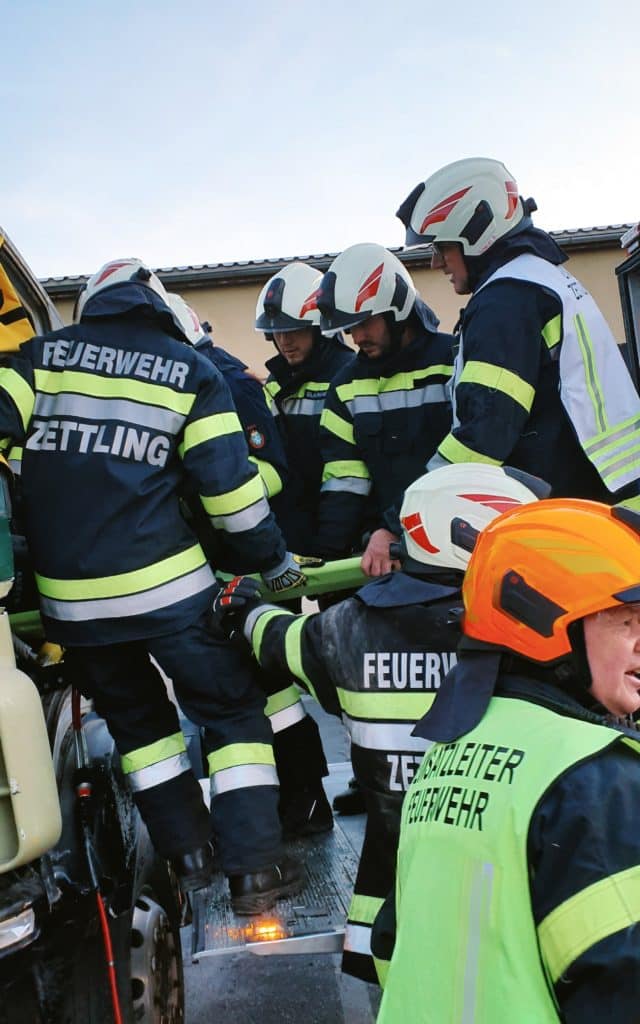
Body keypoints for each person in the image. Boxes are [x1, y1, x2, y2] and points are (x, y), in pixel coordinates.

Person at [0, 257, 312, 913]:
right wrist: (274, 561)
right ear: (160, 310)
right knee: (232, 712)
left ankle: (189, 858)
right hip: (171, 591)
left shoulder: (38, 358)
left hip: (72, 609)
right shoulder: (192, 371)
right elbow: (232, 499)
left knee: (143, 731)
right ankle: (254, 871)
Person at [211, 463, 546, 982]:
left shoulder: (343, 629)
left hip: (391, 907)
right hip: (507, 894)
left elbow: (276, 641)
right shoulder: (526, 633)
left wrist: (242, 611)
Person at [375, 498, 640, 1023]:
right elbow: (622, 984)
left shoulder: (449, 753)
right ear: (545, 620)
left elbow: (392, 945)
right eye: (626, 621)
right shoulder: (595, 777)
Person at [166, 291, 332, 839]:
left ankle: (305, 801)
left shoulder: (232, 385)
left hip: (251, 560)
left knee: (273, 685)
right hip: (213, 563)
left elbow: (274, 471)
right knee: (250, 690)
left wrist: (211, 491)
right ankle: (288, 807)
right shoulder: (181, 381)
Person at [396, 157, 640, 500]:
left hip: (577, 502)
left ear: (475, 232)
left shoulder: (506, 299)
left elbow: (486, 430)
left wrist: (416, 502)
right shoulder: (538, 279)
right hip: (610, 490)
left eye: (442, 246)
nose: (436, 262)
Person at [315, 243, 454, 577]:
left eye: (365, 322)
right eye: (349, 326)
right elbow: (345, 486)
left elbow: (464, 464)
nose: (357, 336)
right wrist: (328, 561)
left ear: (397, 310)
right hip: (386, 557)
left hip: (457, 545)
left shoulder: (453, 362)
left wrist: (395, 526)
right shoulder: (345, 387)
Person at [255, 261, 356, 556]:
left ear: (320, 329)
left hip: (345, 534)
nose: (284, 341)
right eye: (276, 332)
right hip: (293, 533)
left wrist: (331, 543)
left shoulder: (351, 376)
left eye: (295, 330)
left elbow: (353, 473)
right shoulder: (275, 384)